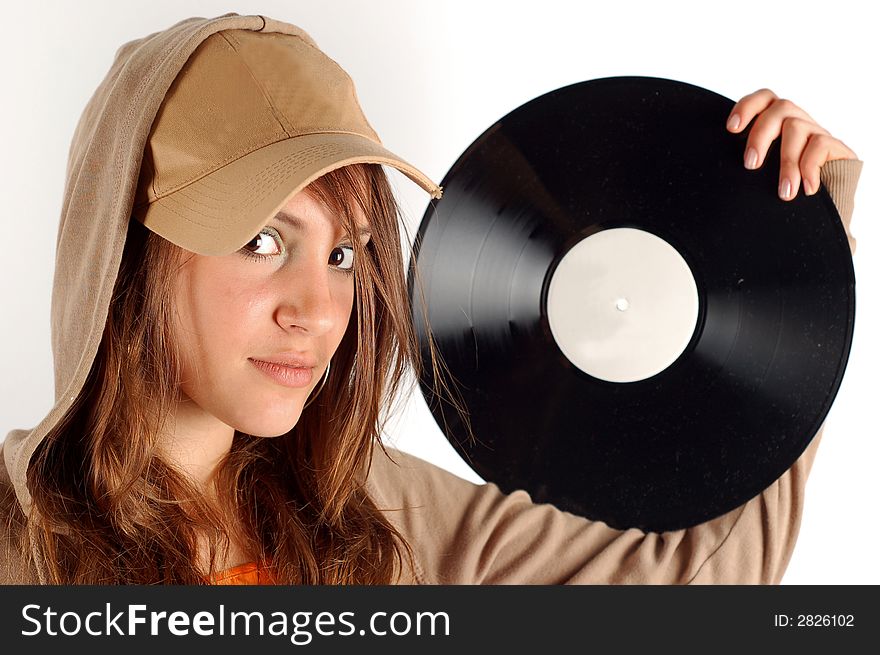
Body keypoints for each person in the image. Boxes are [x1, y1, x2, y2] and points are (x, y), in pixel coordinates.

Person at [0, 13, 862, 585]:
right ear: (125, 249)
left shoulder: (372, 510)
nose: (319, 309)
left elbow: (690, 583)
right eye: (262, 240)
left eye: (345, 254)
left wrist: (798, 248)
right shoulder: (16, 537)